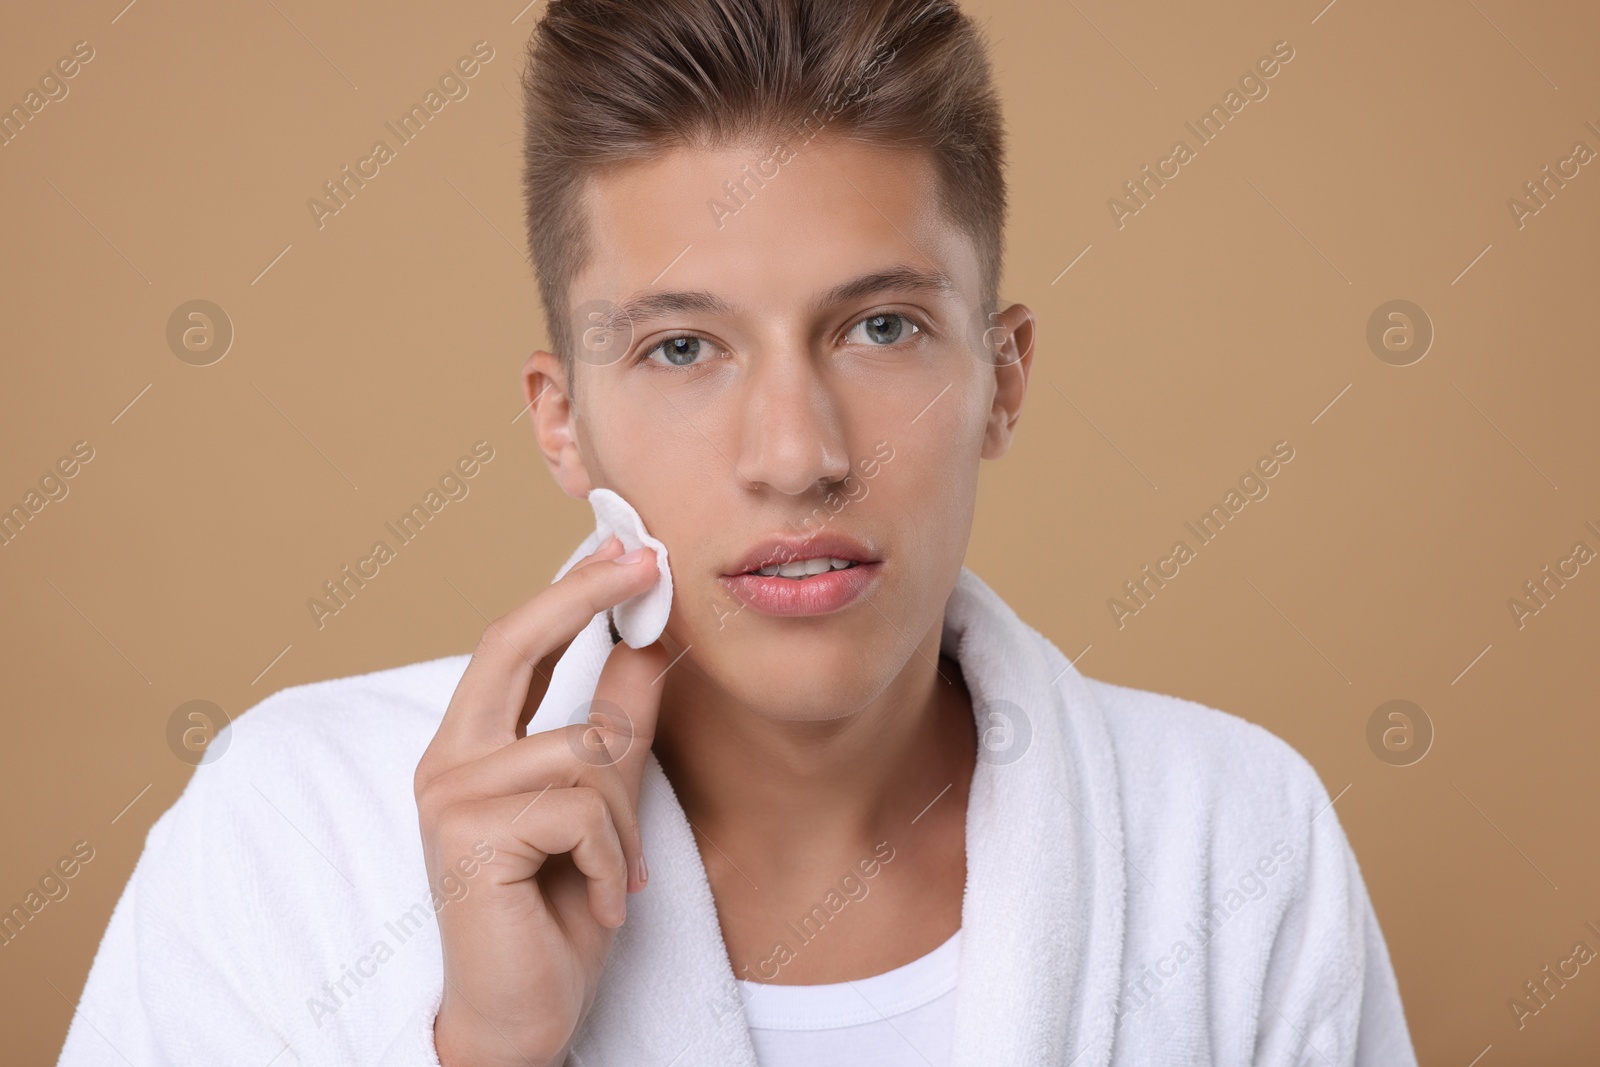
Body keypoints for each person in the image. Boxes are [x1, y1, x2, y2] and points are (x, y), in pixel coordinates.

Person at [57, 1, 1418, 1064]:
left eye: (882, 328)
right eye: (682, 346)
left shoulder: (1233, 842)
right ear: (562, 421)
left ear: (1001, 380)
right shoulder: (287, 835)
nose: (799, 456)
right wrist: (487, 1053)